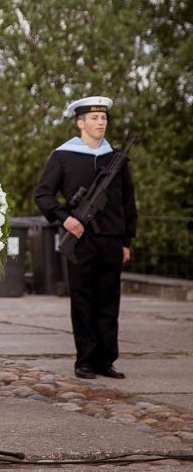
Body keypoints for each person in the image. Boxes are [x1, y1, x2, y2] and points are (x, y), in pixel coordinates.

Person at [34, 96, 136, 380]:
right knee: (82, 300)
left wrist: (127, 239)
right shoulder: (63, 155)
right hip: (80, 239)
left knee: (109, 300)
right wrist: (65, 217)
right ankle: (85, 361)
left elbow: (128, 201)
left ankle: (106, 360)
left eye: (103, 118)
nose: (100, 123)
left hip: (112, 239)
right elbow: (42, 195)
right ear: (81, 123)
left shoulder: (115, 157)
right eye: (94, 118)